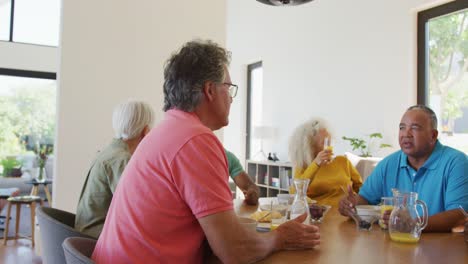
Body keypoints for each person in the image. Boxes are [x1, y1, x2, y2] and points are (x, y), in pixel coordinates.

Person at [92, 40, 320, 264]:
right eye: (228, 88)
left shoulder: (165, 131)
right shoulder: (196, 139)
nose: (231, 98)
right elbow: (234, 251)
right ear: (210, 90)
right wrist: (279, 237)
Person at [339, 105, 468, 232]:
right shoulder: (388, 164)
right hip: (393, 246)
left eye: (415, 128)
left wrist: (412, 223)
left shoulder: (456, 162)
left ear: (433, 135)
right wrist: (351, 204)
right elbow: (365, 199)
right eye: (402, 128)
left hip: (441, 248)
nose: (406, 134)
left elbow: (460, 215)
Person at [75, 100, 154, 238]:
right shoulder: (121, 159)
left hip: (86, 233)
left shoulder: (108, 151)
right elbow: (136, 209)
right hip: (97, 238)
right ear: (146, 131)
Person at [289, 118, 363, 207]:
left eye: (329, 142)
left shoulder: (342, 161)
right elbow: (296, 193)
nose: (328, 147)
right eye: (323, 143)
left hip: (347, 212)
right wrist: (316, 164)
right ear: (309, 147)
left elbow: (361, 189)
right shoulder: (303, 166)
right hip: (320, 215)